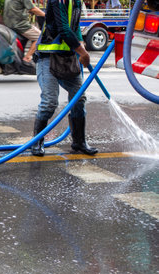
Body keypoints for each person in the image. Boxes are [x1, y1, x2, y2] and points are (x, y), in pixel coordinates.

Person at [31, 0, 98, 157]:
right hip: (48, 57)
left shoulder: (76, 2)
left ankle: (79, 142)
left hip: (67, 57)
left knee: (79, 98)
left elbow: (74, 27)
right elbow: (64, 29)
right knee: (50, 102)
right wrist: (83, 53)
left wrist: (80, 42)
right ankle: (37, 142)